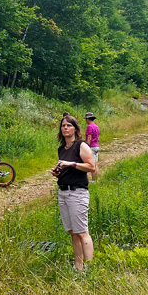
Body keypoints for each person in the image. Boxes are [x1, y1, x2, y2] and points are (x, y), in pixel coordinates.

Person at [51, 116, 96, 272]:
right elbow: (65, 167)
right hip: (63, 192)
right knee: (73, 232)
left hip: (77, 192)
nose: (65, 128)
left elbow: (91, 167)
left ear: (75, 129)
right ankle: (78, 266)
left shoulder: (80, 145)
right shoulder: (61, 149)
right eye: (63, 125)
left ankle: (90, 269)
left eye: (69, 125)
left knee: (82, 232)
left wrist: (72, 164)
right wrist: (58, 172)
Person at [84, 112, 100, 182]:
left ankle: (93, 181)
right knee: (95, 164)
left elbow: (89, 138)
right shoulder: (96, 126)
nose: (85, 121)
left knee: (92, 164)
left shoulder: (89, 127)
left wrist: (87, 147)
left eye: (86, 119)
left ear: (88, 119)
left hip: (92, 146)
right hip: (96, 146)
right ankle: (95, 180)